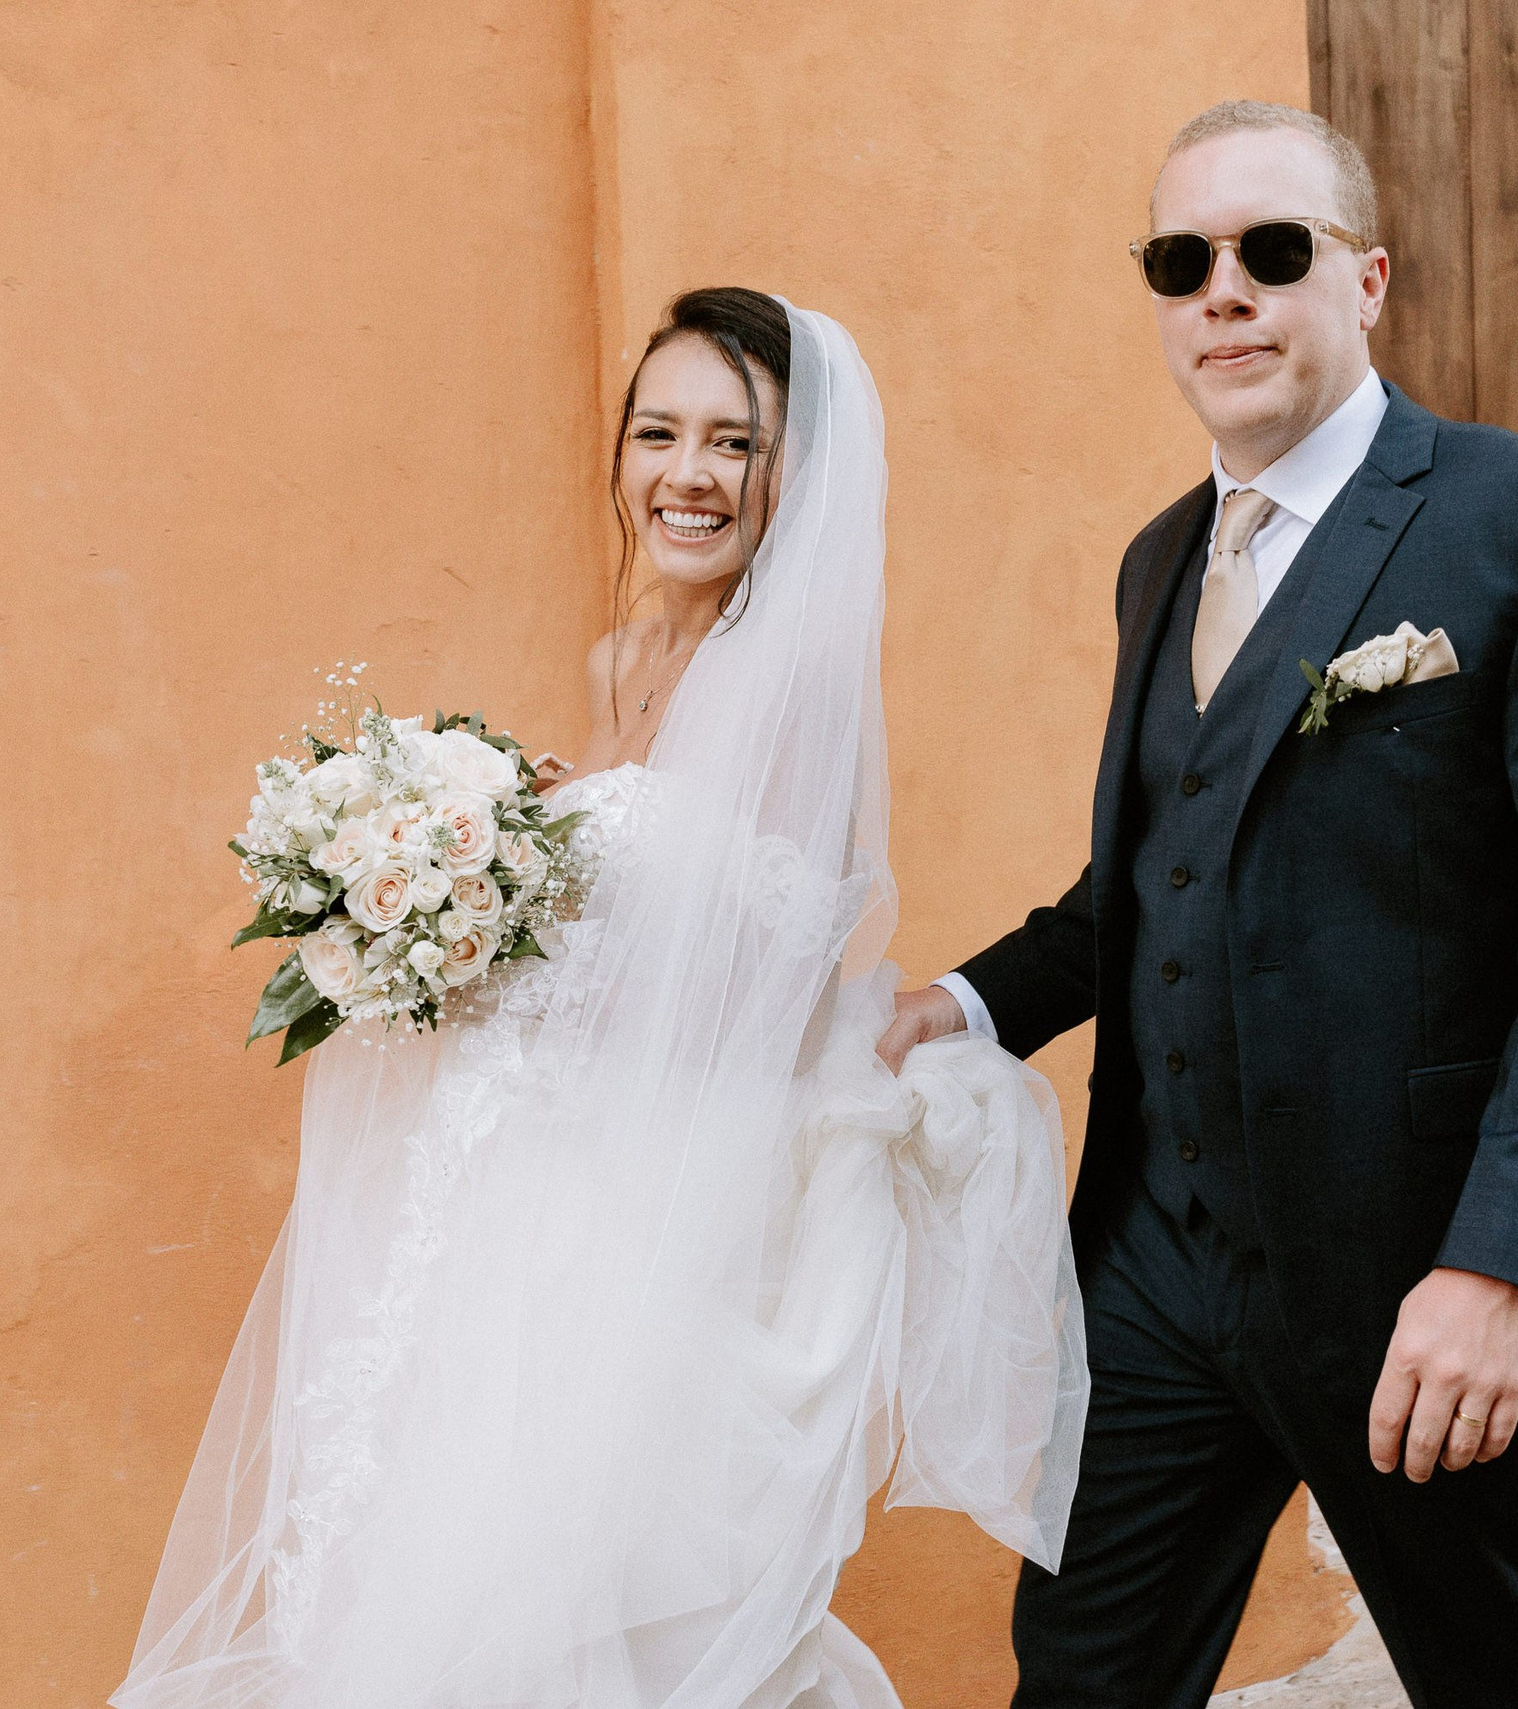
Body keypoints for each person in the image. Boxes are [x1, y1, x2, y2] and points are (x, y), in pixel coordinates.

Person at [115, 291, 1088, 1709]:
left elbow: (757, 995)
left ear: (796, 474)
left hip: (655, 1206)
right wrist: (449, 902)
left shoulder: (796, 687)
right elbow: (619, 907)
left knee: (586, 1603)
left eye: (735, 443)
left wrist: (520, 921)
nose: (690, 474)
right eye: (659, 433)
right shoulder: (620, 660)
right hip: (506, 1183)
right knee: (432, 1570)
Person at [876, 102, 1518, 1708]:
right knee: (1082, 1678)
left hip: (1416, 1273)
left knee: (1493, 1683)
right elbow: (1155, 879)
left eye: (1272, 249)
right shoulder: (1158, 562)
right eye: (1181, 262)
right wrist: (961, 1005)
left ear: (1367, 278)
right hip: (1154, 1269)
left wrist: (1505, 1267)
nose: (1225, 293)